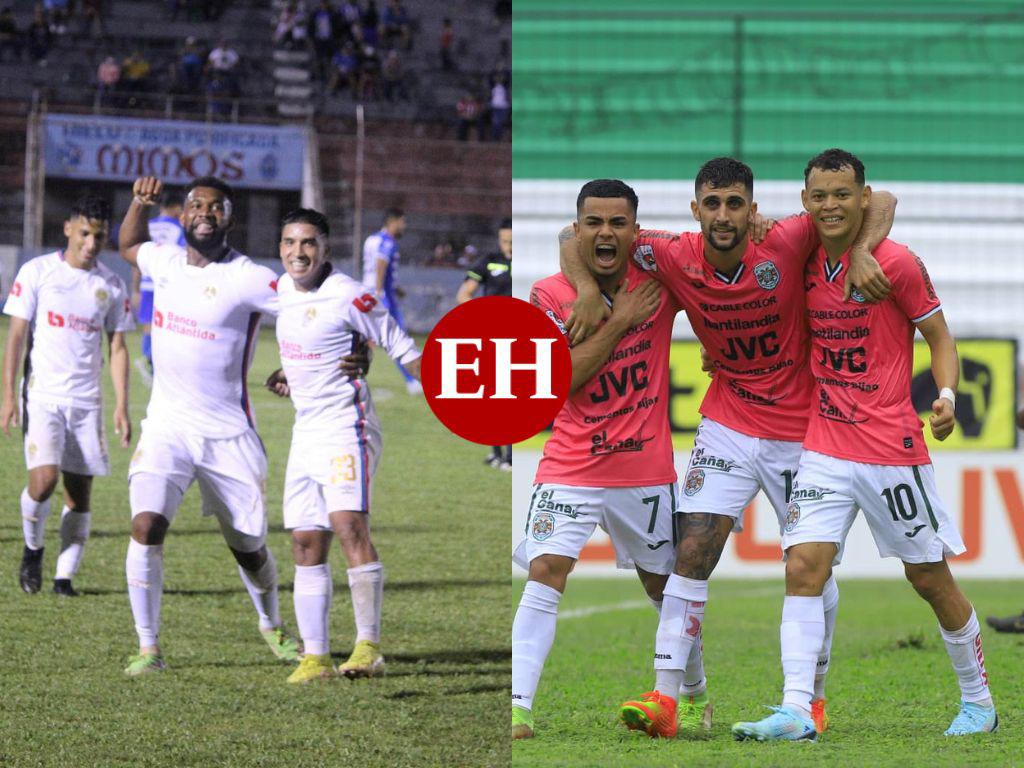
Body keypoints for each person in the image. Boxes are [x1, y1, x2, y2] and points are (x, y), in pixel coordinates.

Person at [560, 157, 894, 738]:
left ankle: (810, 697)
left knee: (810, 568)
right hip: (727, 424)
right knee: (689, 550)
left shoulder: (789, 237)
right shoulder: (668, 251)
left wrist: (863, 250)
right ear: (696, 210)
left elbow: (881, 200)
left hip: (801, 431)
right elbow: (573, 235)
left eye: (734, 204)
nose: (722, 215)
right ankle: (666, 698)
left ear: (753, 210)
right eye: (711, 204)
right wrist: (587, 288)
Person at [732, 148, 997, 741]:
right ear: (806, 201)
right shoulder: (796, 257)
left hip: (890, 448)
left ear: (862, 197)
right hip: (823, 446)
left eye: (842, 194)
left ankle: (979, 702)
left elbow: (941, 337)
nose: (831, 205)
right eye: (819, 196)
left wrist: (948, 397)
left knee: (929, 577)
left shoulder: (895, 263)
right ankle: (798, 708)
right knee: (803, 567)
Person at [513, 179, 677, 740]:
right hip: (571, 464)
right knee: (546, 570)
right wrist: (617, 318)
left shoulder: (658, 279)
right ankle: (517, 706)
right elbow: (561, 380)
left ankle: (690, 694)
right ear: (578, 227)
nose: (605, 232)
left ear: (635, 229)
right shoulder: (548, 294)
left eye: (617, 223)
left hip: (645, 468)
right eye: (593, 223)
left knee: (664, 588)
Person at [117, 175, 299, 676]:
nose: (204, 212)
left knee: (249, 548)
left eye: (215, 207)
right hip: (167, 427)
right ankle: (149, 647)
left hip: (228, 434)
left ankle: (271, 624)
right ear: (182, 216)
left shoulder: (250, 277)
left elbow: (305, 307)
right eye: (196, 204)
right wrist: (138, 203)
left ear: (229, 218)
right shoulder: (166, 260)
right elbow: (129, 243)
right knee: (146, 524)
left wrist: (297, 362)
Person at [265, 208, 421, 683]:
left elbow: (402, 345)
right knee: (305, 539)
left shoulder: (350, 295)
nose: (298, 252)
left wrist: (460, 396)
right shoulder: (280, 291)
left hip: (347, 426)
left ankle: (368, 647)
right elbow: (309, 346)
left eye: (308, 243)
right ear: (280, 248)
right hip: (306, 430)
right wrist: (287, 375)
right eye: (290, 243)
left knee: (348, 525)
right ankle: (315, 658)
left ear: (325, 248)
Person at [2, 195, 132, 597]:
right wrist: (8, 394)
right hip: (42, 395)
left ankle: (63, 578)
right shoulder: (38, 271)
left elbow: (117, 347)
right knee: (43, 481)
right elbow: (17, 336)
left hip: (86, 402)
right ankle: (33, 548)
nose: (91, 244)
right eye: (85, 233)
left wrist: (122, 405)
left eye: (99, 236)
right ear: (68, 229)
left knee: (80, 493)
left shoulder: (110, 284)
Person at [457, 218, 512, 470]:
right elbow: (464, 293)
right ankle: (496, 451)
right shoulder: (490, 260)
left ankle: (509, 457)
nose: (509, 246)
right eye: (505, 241)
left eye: (513, 241)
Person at [362, 208, 420, 394]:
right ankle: (414, 381)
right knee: (398, 339)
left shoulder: (371, 239)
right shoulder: (388, 242)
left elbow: (373, 268)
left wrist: (394, 287)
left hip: (367, 294)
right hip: (382, 298)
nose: (404, 226)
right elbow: (381, 264)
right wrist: (380, 291)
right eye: (402, 222)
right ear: (392, 222)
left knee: (363, 339)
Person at [131, 188, 185, 378]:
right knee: (168, 326)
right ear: (178, 208)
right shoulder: (179, 229)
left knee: (148, 325)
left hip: (146, 283)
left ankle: (149, 359)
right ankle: (151, 362)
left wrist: (135, 289)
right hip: (167, 285)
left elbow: (138, 259)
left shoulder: (149, 225)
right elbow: (184, 258)